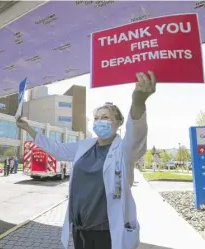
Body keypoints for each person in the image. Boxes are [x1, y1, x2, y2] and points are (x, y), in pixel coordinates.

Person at [16, 71, 156, 249]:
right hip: (80, 228)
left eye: (105, 117)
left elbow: (136, 133)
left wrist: (138, 102)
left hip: (106, 232)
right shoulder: (85, 146)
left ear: (118, 122)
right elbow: (57, 149)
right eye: (96, 118)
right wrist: (29, 128)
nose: (99, 122)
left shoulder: (124, 150)